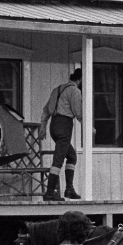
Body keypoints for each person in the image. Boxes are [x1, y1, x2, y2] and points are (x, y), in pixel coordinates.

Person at [41, 69, 83, 202]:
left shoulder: (57, 89)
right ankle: (49, 193)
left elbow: (46, 110)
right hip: (64, 125)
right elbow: (78, 112)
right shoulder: (74, 91)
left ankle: (69, 189)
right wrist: (89, 127)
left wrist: (43, 126)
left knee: (71, 156)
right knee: (58, 160)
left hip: (54, 125)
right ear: (81, 79)